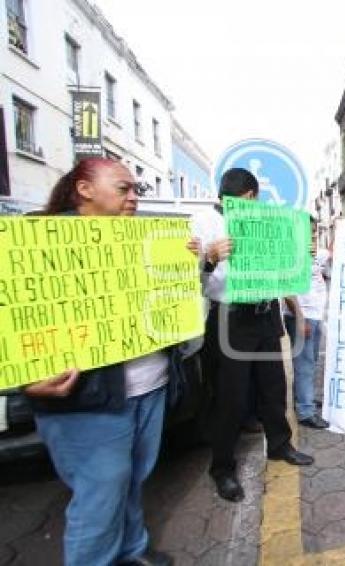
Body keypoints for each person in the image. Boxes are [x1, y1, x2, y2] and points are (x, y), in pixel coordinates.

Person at [24, 158, 185, 566]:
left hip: (149, 386)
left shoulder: (146, 239)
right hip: (88, 399)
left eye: (136, 190)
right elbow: (15, 316)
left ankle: (132, 551)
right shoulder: (38, 243)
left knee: (132, 481)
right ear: (84, 189)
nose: (134, 197)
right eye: (123, 188)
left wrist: (189, 267)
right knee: (99, 497)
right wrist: (24, 379)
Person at [193, 167, 313, 504]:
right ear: (248, 195)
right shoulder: (202, 221)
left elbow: (282, 263)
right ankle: (223, 469)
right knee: (230, 398)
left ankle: (279, 445)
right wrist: (209, 258)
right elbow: (192, 279)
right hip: (230, 319)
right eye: (254, 198)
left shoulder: (264, 221)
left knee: (274, 385)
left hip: (265, 313)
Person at [283, 217, 330, 429]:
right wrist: (300, 317)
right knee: (304, 364)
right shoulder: (291, 255)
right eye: (309, 232)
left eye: (314, 232)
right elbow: (287, 289)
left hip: (315, 314)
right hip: (301, 315)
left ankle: (305, 399)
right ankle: (305, 411)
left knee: (310, 361)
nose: (312, 236)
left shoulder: (310, 254)